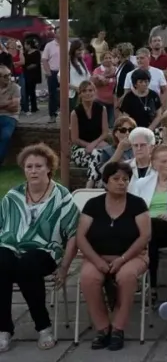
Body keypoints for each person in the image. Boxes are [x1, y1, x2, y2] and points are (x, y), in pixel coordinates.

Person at [0, 144, 79, 352]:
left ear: (48, 168)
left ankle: (43, 326)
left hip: (45, 251)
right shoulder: (13, 196)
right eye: (29, 167)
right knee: (1, 260)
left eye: (38, 166)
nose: (33, 171)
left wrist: (64, 268)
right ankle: (3, 329)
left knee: (27, 264)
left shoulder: (62, 196)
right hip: (10, 246)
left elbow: (74, 235)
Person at [77, 161, 151, 350]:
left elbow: (145, 236)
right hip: (97, 256)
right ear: (105, 182)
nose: (121, 183)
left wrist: (122, 259)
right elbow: (80, 237)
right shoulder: (93, 205)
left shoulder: (137, 204)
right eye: (116, 179)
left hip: (132, 256)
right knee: (88, 278)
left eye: (125, 179)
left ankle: (118, 328)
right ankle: (103, 328)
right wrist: (96, 261)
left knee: (126, 276)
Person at [130, 143, 167, 299]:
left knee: (152, 227)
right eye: (163, 161)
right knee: (150, 232)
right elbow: (133, 210)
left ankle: (151, 285)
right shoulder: (141, 184)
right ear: (154, 163)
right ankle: (151, 285)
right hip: (148, 232)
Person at [0, 66, 20, 167]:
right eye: (5, 76)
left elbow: (15, 107)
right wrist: (8, 103)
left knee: (6, 136)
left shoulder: (15, 87)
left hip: (10, 117)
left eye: (9, 75)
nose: (8, 77)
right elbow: (11, 105)